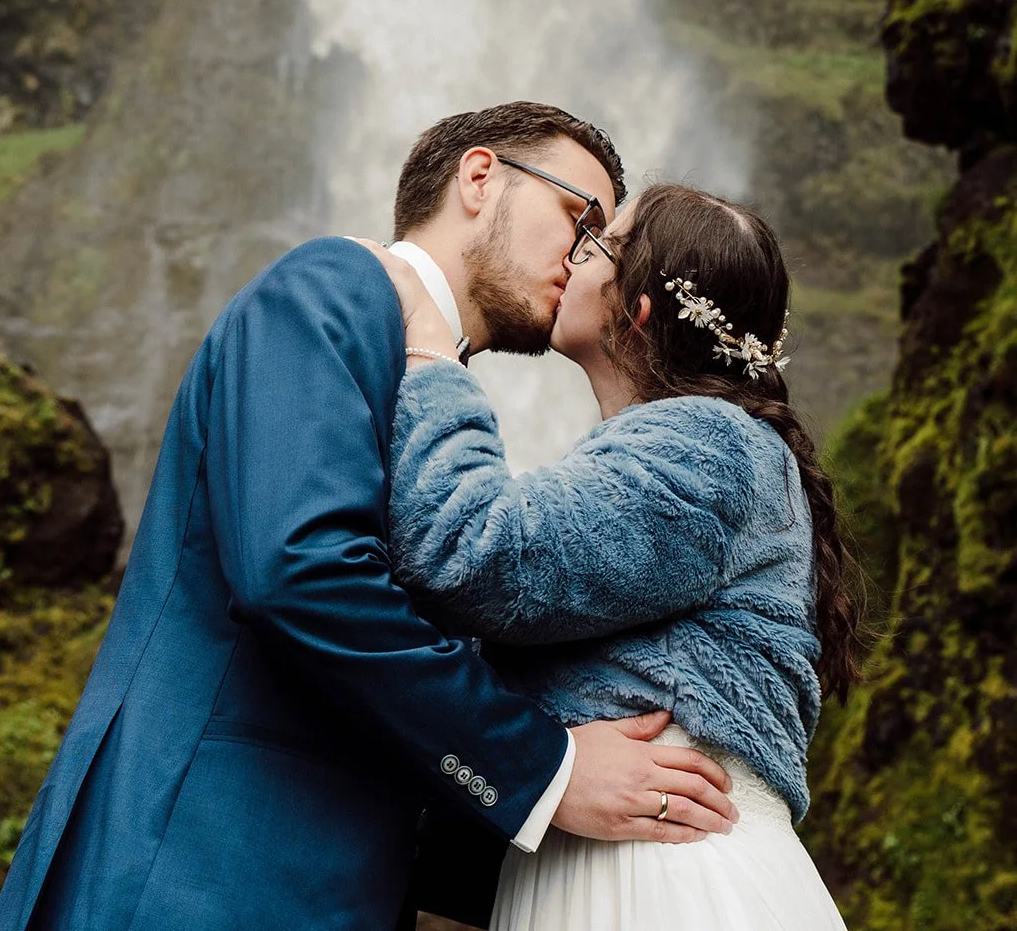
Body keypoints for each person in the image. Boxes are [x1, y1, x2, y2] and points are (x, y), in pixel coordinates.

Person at [0, 104, 736, 931]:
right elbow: (298, 567)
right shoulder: (333, 285)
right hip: (200, 864)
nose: (589, 257)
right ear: (479, 178)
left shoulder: (443, 405)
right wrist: (546, 768)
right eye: (577, 217)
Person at [367, 178, 862, 930]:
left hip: (662, 875)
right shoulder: (693, 456)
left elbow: (482, 557)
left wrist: (432, 356)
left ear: (636, 310)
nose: (571, 252)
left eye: (597, 243)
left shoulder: (710, 446)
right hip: (618, 860)